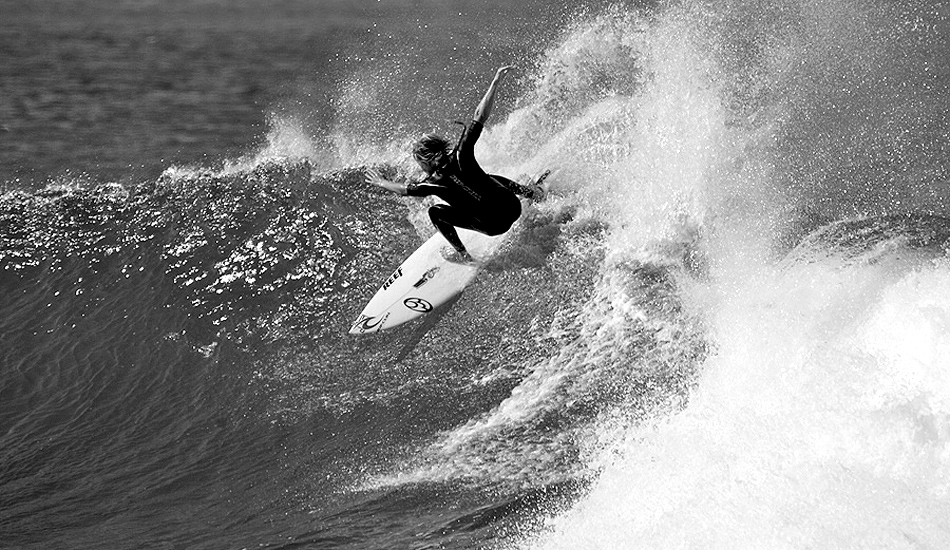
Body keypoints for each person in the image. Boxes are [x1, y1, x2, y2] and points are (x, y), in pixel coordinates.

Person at [365, 66, 545, 264]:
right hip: (512, 207)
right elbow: (480, 115)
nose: (421, 168)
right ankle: (533, 193)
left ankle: (463, 255)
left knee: (435, 212)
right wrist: (495, 83)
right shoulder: (462, 153)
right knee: (489, 180)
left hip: (494, 226)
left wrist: (381, 182)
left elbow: (404, 190)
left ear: (427, 159)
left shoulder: (432, 183)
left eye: (420, 162)